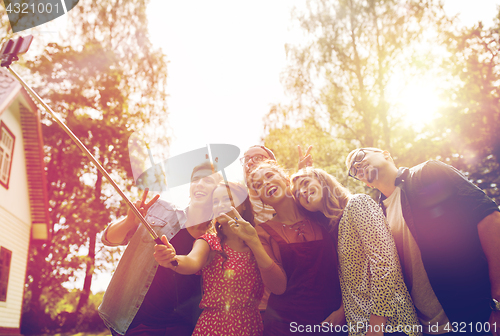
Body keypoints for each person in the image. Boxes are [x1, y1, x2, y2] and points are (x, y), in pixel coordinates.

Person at [346, 148, 500, 336]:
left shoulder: (427, 173)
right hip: (423, 328)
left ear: (385, 154)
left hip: (475, 316)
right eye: (353, 170)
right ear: (365, 183)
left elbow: (489, 218)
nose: (357, 164)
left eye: (360, 156)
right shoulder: (377, 217)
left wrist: (497, 300)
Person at [291, 167, 421, 336]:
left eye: (306, 183)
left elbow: (385, 263)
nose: (303, 192)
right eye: (297, 194)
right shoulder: (332, 229)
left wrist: (376, 325)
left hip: (391, 324)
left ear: (322, 181)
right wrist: (342, 312)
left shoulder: (357, 204)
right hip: (359, 326)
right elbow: (354, 279)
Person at [98, 161, 222, 336]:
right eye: (196, 179)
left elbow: (195, 265)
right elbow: (108, 239)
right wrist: (128, 222)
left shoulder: (219, 238)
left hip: (183, 327)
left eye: (208, 181)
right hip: (136, 321)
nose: (200, 183)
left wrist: (173, 259)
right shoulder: (161, 210)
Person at [244, 161, 345, 335]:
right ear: (260, 198)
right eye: (258, 185)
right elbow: (278, 287)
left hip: (333, 319)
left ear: (285, 179)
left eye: (269, 176)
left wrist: (344, 310)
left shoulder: (318, 213)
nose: (266, 183)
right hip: (286, 325)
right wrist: (253, 242)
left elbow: (349, 265)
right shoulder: (261, 233)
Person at [154, 181, 264, 336]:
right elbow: (192, 262)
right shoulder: (209, 241)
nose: (220, 205)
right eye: (215, 202)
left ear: (244, 204)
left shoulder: (259, 240)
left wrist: (255, 242)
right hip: (213, 326)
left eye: (227, 199)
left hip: (250, 324)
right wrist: (174, 260)